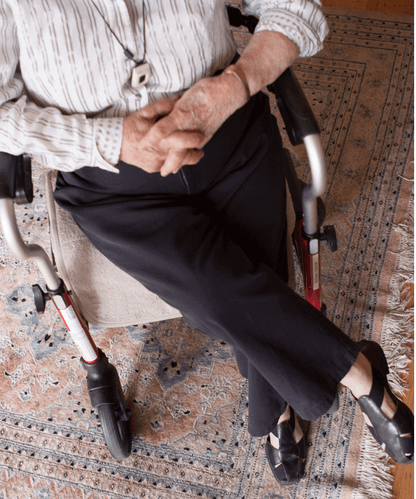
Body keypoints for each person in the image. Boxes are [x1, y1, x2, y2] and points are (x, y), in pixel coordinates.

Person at [0, 0, 413, 486]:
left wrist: (232, 86)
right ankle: (359, 372)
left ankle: (278, 413)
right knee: (214, 288)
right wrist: (111, 140)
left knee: (257, 269)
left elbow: (297, 9)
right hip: (111, 176)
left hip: (230, 134)